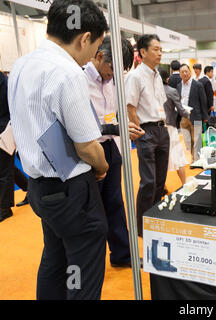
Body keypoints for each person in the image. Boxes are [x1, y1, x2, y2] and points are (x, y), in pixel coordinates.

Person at [8, 0, 109, 300]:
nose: (93, 57)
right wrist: (102, 167)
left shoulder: (22, 64)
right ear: (84, 38)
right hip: (71, 191)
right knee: (82, 266)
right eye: (96, 47)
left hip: (40, 187)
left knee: (55, 261)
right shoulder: (67, 72)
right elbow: (87, 146)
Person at [84, 35, 145, 267]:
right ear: (100, 56)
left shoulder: (113, 82)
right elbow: (80, 125)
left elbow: (114, 115)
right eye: (113, 69)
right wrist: (115, 127)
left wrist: (123, 127)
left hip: (111, 147)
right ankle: (92, 260)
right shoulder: (79, 80)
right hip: (90, 150)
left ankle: (122, 255)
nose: (114, 75)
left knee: (115, 203)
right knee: (92, 209)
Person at [126, 34, 170, 238]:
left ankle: (154, 219)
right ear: (143, 52)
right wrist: (138, 133)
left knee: (160, 180)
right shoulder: (135, 76)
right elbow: (130, 107)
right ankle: (141, 227)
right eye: (156, 49)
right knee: (148, 181)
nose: (160, 53)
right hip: (147, 131)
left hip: (162, 130)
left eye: (161, 49)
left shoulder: (157, 75)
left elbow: (160, 103)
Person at [159, 68, 191, 185]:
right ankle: (184, 184)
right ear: (168, 78)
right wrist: (188, 113)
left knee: (159, 160)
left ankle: (162, 187)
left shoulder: (152, 91)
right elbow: (181, 110)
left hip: (156, 128)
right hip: (170, 128)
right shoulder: (171, 91)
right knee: (178, 158)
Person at [177, 64, 208, 161]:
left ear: (190, 72)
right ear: (180, 74)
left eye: (186, 71)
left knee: (197, 139)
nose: (185, 73)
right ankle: (194, 156)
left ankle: (196, 160)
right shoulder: (178, 86)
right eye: (182, 72)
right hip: (183, 117)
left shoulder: (198, 85)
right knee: (187, 140)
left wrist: (205, 117)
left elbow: (203, 101)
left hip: (196, 116)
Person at [0, 71, 14, 222]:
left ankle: (5, 208)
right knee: (8, 167)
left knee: (4, 170)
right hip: (4, 129)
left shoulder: (6, 82)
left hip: (5, 131)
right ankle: (27, 186)